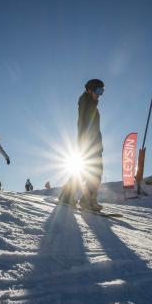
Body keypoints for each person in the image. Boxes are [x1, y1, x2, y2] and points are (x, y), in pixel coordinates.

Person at [59, 79, 105, 210]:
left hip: (92, 143)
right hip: (89, 144)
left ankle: (67, 196)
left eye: (102, 91)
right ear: (89, 89)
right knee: (94, 172)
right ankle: (86, 201)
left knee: (83, 172)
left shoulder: (91, 103)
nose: (100, 94)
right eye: (98, 90)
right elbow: (83, 124)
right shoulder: (87, 102)